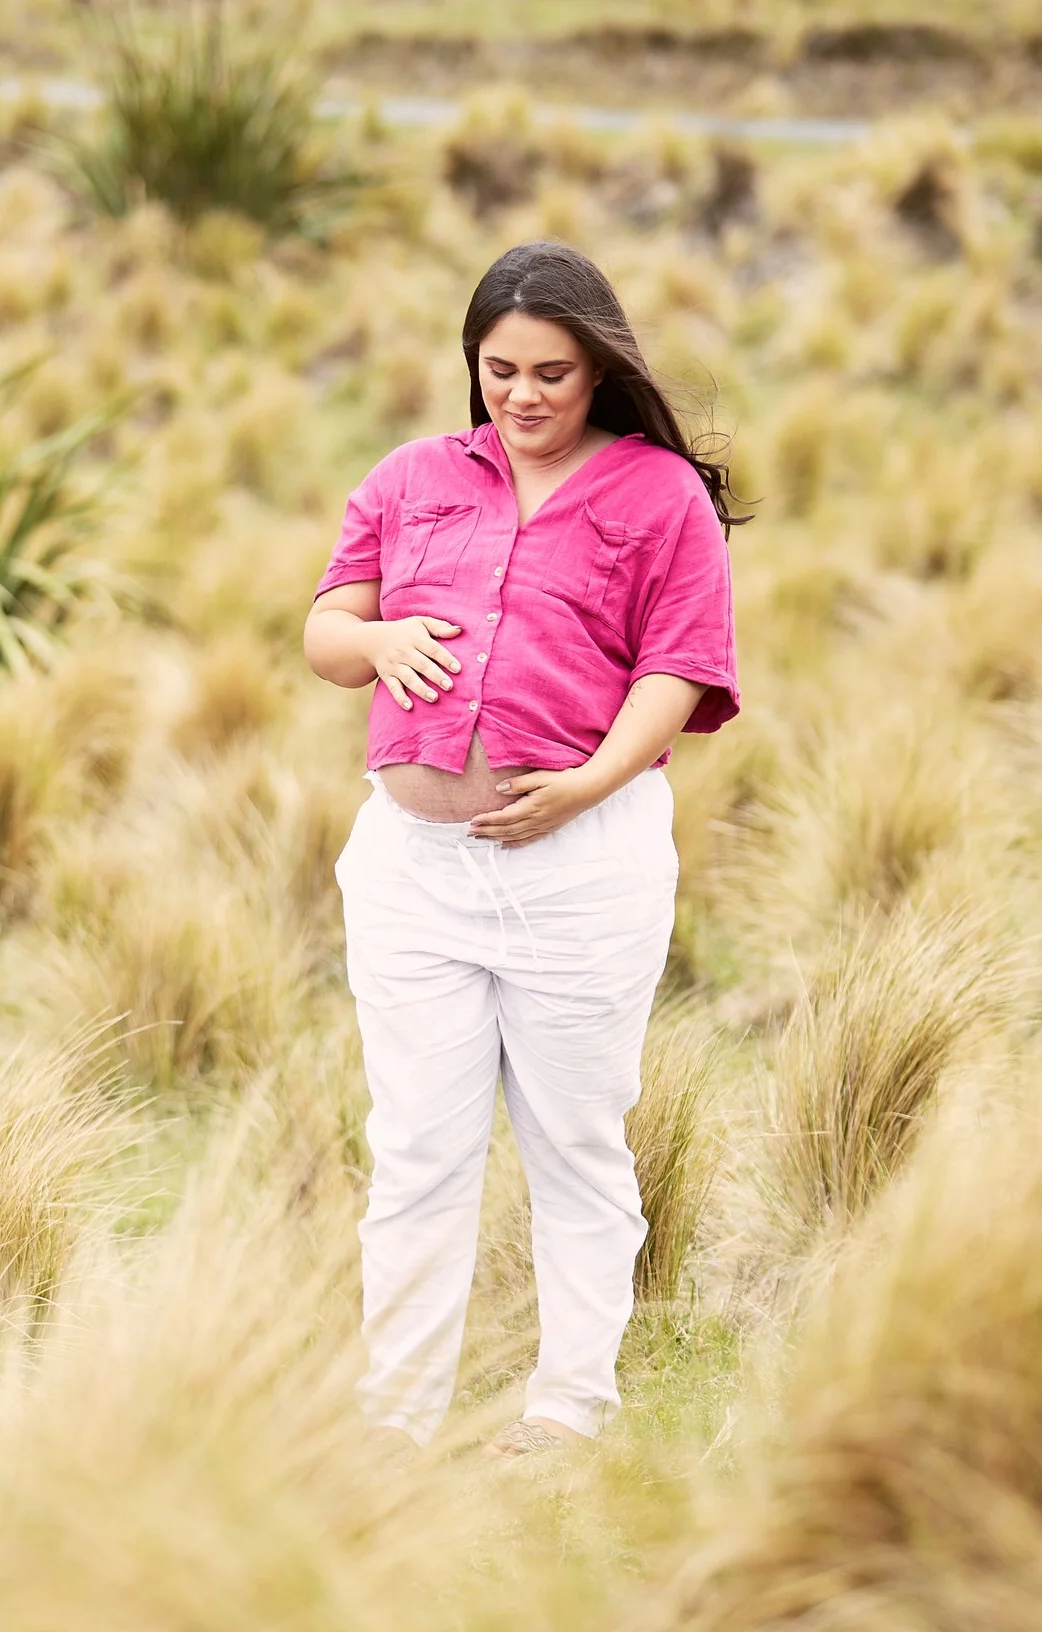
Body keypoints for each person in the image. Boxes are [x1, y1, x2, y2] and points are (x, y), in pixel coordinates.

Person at [303, 241, 743, 1459]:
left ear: (597, 368)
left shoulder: (660, 495)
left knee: (575, 1140)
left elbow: (679, 669)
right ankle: (395, 1414)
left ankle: (568, 1406)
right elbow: (326, 627)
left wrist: (587, 785)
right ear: (473, 363)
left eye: (552, 371)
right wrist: (376, 642)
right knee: (417, 1147)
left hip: (581, 869)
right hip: (413, 870)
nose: (523, 394)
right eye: (501, 369)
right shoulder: (412, 477)